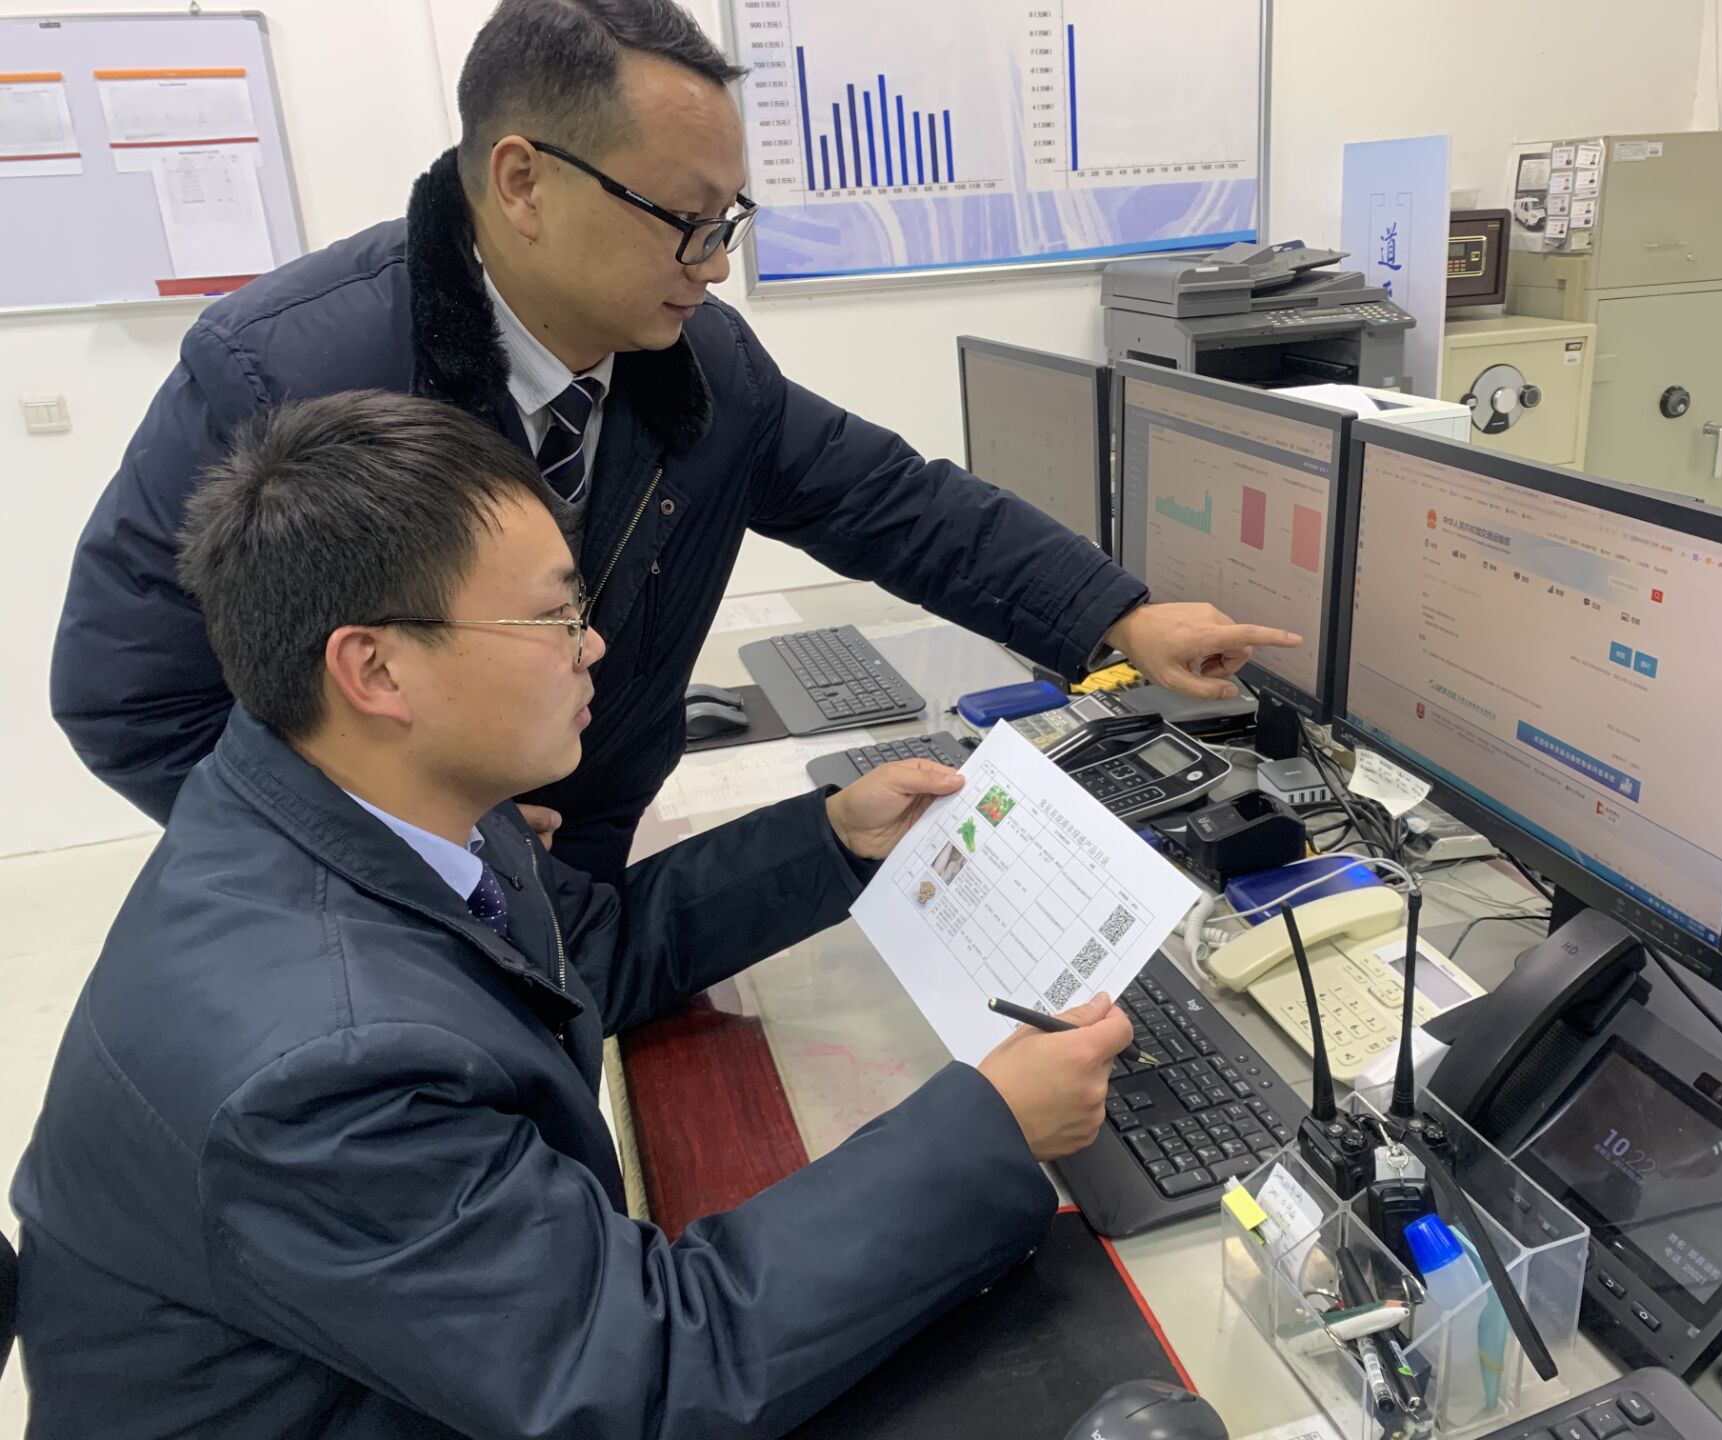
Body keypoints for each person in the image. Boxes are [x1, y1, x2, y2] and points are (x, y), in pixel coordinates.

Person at [10, 392, 1134, 1438]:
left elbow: (584, 951)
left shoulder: (353, 793)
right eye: (553, 616)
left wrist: (835, 838)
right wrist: (992, 1128)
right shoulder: (320, 1076)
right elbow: (639, 1377)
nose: (591, 645)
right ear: (377, 671)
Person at [49, 0, 1300, 882]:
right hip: (394, 889)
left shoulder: (702, 363)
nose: (715, 263)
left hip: (593, 848)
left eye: (728, 220)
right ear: (524, 182)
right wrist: (405, 836)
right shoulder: (282, 375)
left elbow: (894, 504)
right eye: (685, 220)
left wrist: (1117, 616)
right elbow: (128, 700)